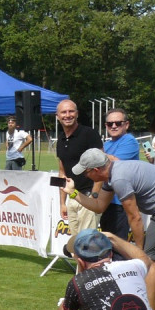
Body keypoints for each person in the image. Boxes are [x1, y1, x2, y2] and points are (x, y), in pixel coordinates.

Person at [68, 146, 155, 310]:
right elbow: (99, 206)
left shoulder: (119, 179)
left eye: (86, 173)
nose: (85, 177)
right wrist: (72, 193)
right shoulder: (112, 175)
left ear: (95, 170)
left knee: (148, 262)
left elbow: (135, 218)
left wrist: (139, 252)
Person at [54, 99, 104, 235]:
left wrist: (94, 197)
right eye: (63, 112)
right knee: (76, 243)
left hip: (89, 196)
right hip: (73, 196)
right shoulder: (61, 139)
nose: (67, 115)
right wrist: (62, 203)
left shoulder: (89, 134)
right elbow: (62, 172)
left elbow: (102, 167)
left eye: (71, 111)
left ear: (77, 114)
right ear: (57, 116)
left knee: (87, 242)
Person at [97, 108, 140, 240]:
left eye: (118, 123)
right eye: (110, 124)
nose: (114, 126)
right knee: (107, 243)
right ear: (106, 126)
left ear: (126, 124)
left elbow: (114, 164)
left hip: (121, 202)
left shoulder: (129, 140)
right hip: (106, 201)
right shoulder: (106, 144)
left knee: (117, 244)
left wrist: (94, 154)